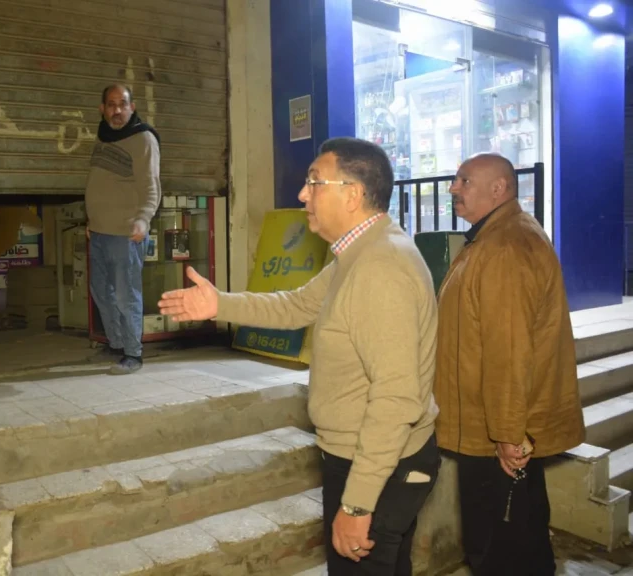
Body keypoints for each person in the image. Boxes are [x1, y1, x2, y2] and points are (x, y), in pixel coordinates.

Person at [159, 137, 440, 575]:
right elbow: (296, 306)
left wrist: (357, 503)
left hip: (379, 464)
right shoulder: (359, 252)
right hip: (366, 456)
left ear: (352, 194)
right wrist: (220, 304)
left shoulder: (380, 267)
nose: (303, 194)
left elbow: (396, 398)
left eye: (314, 182)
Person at [434, 153, 585, 576]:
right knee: (521, 532)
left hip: (494, 433)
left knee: (499, 544)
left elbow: (509, 350)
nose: (453, 188)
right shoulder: (497, 235)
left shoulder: (504, 247)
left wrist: (506, 434)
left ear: (498, 189)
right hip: (493, 427)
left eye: (464, 181)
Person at [85, 84, 161, 375]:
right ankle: (116, 344)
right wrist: (92, 220)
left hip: (125, 233)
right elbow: (102, 183)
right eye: (111, 104)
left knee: (125, 295)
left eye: (123, 104)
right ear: (102, 109)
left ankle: (133, 354)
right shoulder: (104, 136)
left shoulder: (143, 138)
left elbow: (151, 186)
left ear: (132, 107)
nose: (117, 110)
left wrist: (143, 219)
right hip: (99, 231)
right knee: (101, 292)